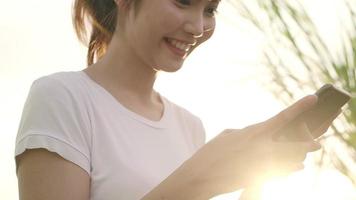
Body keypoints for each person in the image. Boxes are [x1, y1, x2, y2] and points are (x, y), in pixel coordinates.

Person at [14, 0, 341, 199]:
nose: (198, 27)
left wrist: (254, 181)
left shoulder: (189, 127)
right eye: (182, 1)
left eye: (210, 9)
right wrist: (202, 178)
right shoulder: (63, 98)